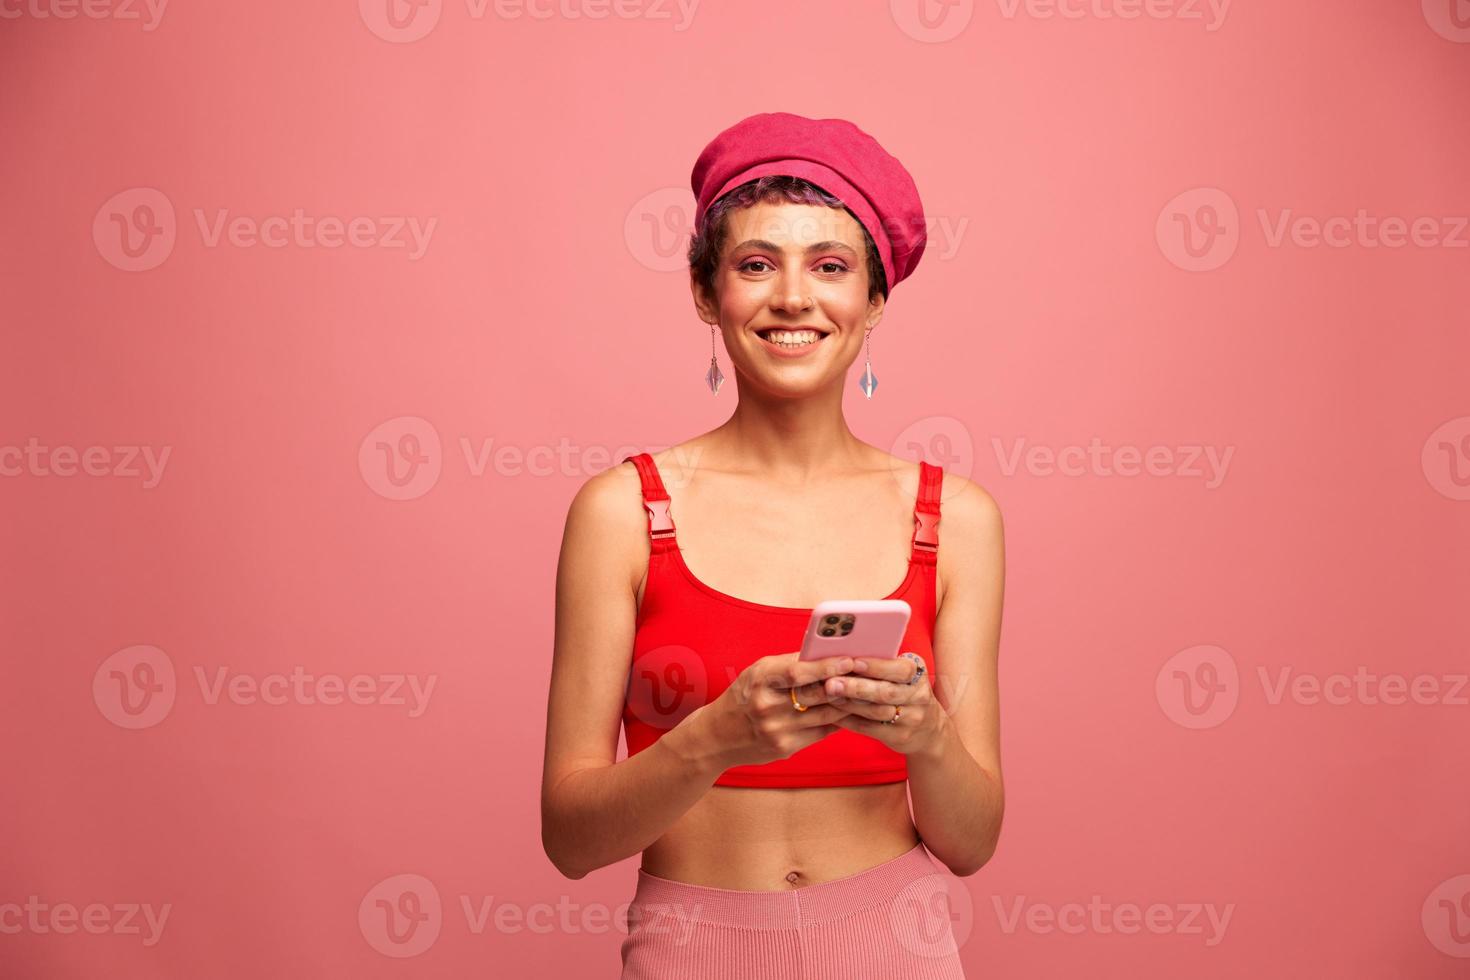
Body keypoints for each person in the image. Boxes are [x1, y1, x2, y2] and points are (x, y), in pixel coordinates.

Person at [541, 111, 1005, 980]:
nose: (794, 297)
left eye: (831, 267)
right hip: (689, 950)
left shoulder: (958, 518)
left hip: (897, 946)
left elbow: (972, 842)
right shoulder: (622, 512)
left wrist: (927, 736)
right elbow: (569, 841)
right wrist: (714, 739)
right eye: (756, 264)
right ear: (705, 292)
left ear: (873, 300)